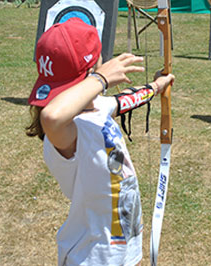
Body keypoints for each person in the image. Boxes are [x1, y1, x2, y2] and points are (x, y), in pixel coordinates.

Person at [25, 18, 174, 266]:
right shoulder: (67, 132)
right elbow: (51, 116)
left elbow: (125, 100)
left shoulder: (94, 108)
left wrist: (156, 86)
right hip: (93, 255)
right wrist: (100, 79)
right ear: (92, 69)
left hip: (120, 244)